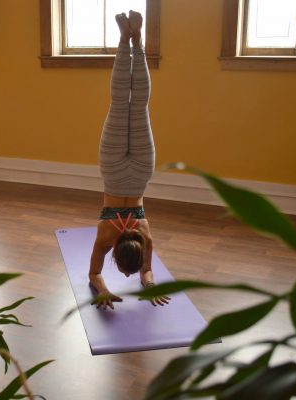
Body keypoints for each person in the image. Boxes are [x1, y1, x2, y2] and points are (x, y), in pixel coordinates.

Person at [88, 10, 170, 310]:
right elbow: (94, 274)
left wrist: (149, 284)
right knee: (121, 103)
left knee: (140, 105)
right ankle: (126, 39)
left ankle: (137, 41)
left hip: (140, 173)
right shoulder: (105, 236)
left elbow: (146, 271)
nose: (125, 275)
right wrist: (103, 289)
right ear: (115, 252)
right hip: (112, 170)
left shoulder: (145, 236)